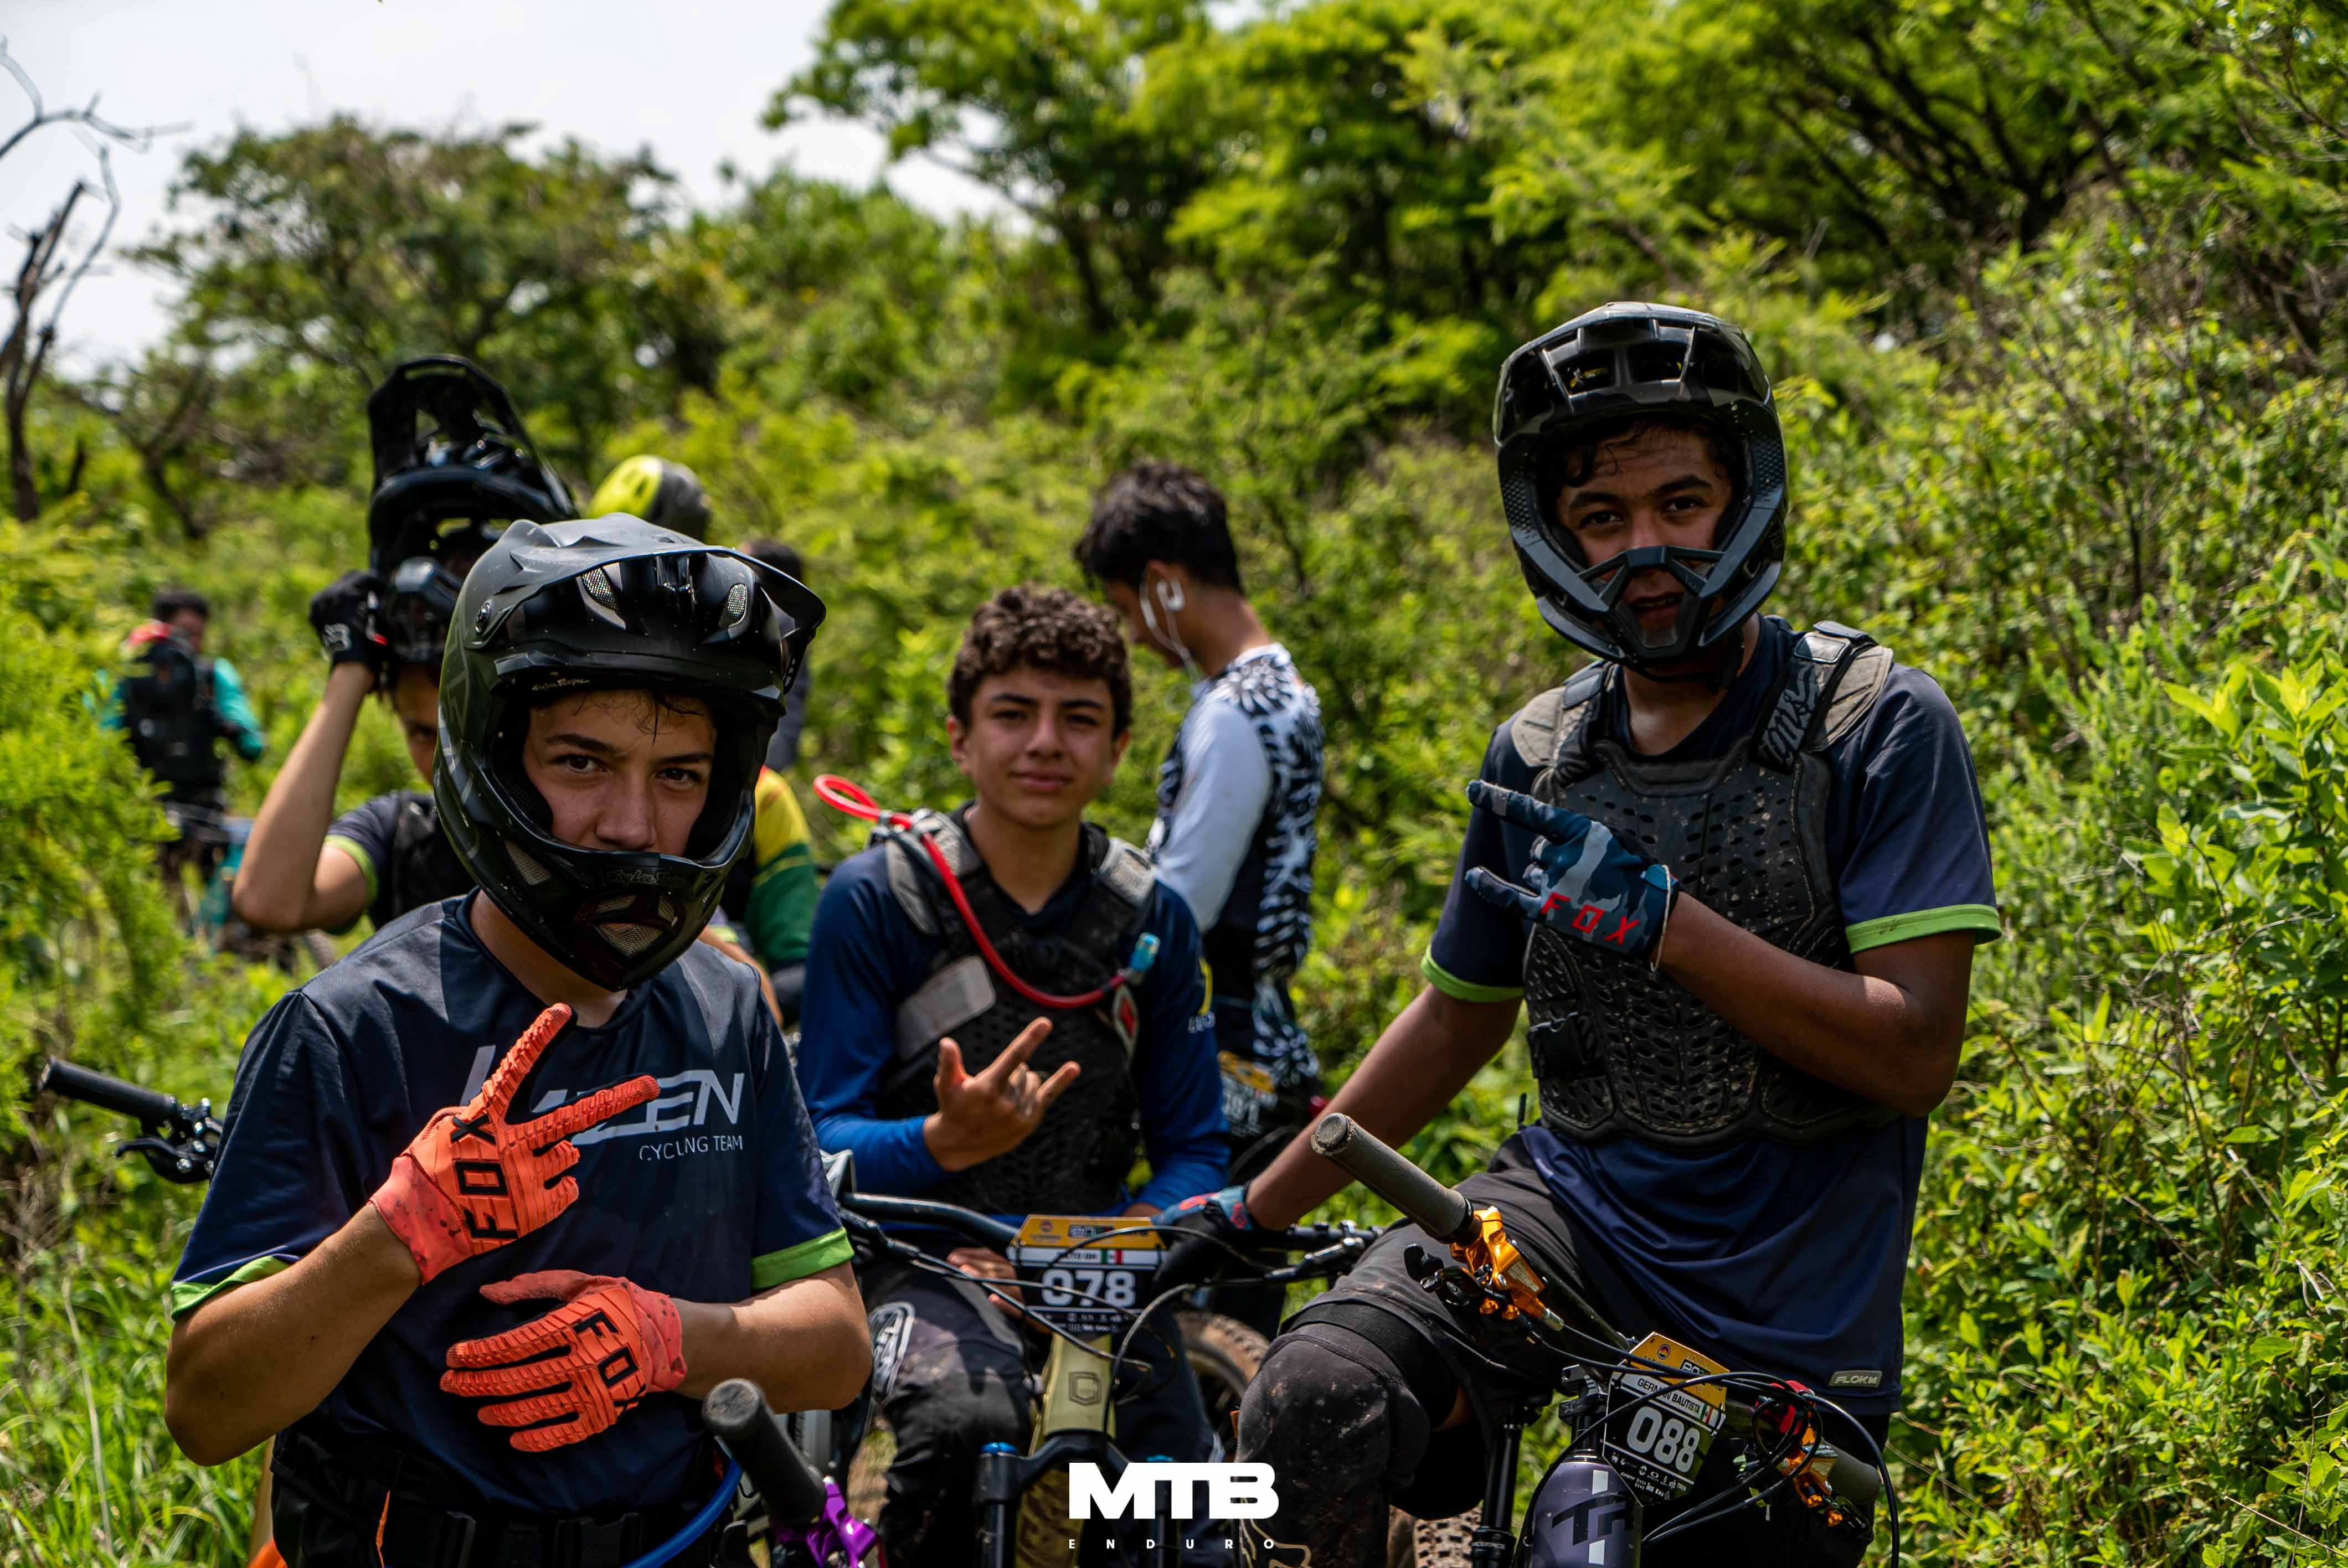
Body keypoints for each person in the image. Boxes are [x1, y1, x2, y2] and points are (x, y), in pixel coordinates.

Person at [1168, 303, 2001, 1566]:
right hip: (1560, 1224)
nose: (1643, 547)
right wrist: (1257, 1208)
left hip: (1779, 1298)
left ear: (1744, 499)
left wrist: (1669, 925)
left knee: (1592, 1532)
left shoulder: (1870, 725)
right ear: (1553, 538)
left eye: (1680, 501)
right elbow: (1457, 1012)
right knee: (1311, 1395)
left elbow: (1910, 1055)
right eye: (1600, 520)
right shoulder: (1542, 754)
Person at [166, 517, 867, 1568]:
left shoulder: (727, 1009)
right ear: (496, 754)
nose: (633, 822)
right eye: (584, 762)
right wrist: (396, 1234)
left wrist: (672, 1337)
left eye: (679, 774)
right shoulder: (353, 1027)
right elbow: (207, 1410)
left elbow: (837, 1344)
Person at [794, 584, 1227, 1566]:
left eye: (1079, 719)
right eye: (1012, 713)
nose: (1045, 742)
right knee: (963, 1423)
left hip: (1100, 1264)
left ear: (1118, 749)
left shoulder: (1156, 919)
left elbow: (1195, 1146)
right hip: (917, 1260)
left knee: (1185, 1516)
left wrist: (1114, 1244)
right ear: (959, 738)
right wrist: (944, 1144)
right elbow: (825, 1140)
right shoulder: (880, 898)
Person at [1075, 463, 1326, 1168]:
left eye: (1128, 608)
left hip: (1225, 1047)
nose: (1134, 635)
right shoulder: (1285, 690)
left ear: (1165, 584)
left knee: (1206, 1263)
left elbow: (1184, 902)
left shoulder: (1235, 711)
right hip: (1268, 1036)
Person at [109, 586, 267, 899]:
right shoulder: (126, 677)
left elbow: (252, 743)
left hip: (203, 810)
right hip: (147, 813)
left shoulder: (211, 676)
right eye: (184, 633)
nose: (192, 643)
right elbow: (101, 741)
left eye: (198, 635)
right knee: (161, 902)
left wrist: (223, 723)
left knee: (232, 897)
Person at [740, 538, 815, 773]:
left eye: (743, 565)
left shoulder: (772, 620)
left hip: (761, 752)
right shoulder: (792, 623)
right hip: (773, 748)